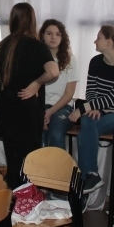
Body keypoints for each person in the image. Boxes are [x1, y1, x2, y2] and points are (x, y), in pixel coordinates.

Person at [0, 3, 59, 188]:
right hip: (28, 112)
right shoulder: (38, 46)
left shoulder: (4, 45)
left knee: (13, 167)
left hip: (6, 111)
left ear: (12, 20)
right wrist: (37, 83)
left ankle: (12, 201)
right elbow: (53, 72)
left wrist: (4, 73)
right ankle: (26, 202)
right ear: (32, 21)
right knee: (30, 167)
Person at [68, 26, 114, 194]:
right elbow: (91, 91)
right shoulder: (95, 62)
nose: (95, 41)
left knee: (85, 132)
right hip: (99, 109)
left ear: (109, 42)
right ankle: (92, 176)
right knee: (87, 122)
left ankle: (88, 178)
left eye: (98, 38)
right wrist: (93, 108)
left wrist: (84, 108)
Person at [39, 19, 79, 150]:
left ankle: (59, 164)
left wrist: (50, 112)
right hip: (39, 105)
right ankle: (38, 165)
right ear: (42, 36)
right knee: (39, 136)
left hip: (62, 106)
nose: (53, 37)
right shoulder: (36, 57)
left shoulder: (71, 59)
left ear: (62, 38)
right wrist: (41, 113)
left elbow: (69, 93)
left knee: (56, 133)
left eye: (58, 34)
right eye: (49, 33)